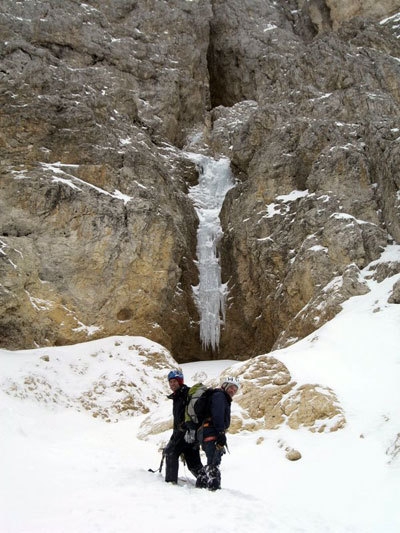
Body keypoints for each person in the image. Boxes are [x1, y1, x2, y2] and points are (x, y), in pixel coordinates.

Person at [196, 376, 239, 491]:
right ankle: (213, 489)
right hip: (211, 430)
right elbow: (218, 415)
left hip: (206, 430)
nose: (233, 391)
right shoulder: (220, 396)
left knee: (212, 459)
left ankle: (201, 485)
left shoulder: (219, 396)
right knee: (214, 460)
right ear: (224, 386)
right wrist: (220, 433)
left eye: (235, 389)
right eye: (231, 388)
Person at [164, 369, 203, 484]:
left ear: (180, 381)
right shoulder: (179, 395)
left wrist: (185, 430)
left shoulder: (185, 394)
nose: (172, 384)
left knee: (171, 452)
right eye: (170, 382)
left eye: (175, 381)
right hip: (190, 433)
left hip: (185, 432)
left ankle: (171, 483)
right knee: (193, 462)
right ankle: (206, 481)